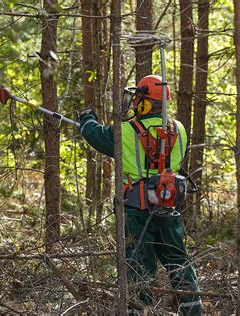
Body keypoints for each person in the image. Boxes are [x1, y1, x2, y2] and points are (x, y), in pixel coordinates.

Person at [79, 75, 202, 315]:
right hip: (168, 207)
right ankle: (193, 309)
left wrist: (87, 119)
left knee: (137, 262)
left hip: (137, 209)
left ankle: (138, 309)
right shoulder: (180, 129)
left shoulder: (125, 131)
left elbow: (95, 135)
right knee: (177, 259)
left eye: (138, 99)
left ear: (145, 103)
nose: (134, 103)